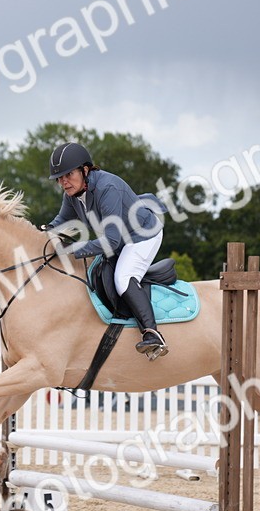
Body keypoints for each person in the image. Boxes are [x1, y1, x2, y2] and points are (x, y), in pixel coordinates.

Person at [41, 142, 168, 359]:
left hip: (143, 235)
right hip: (118, 238)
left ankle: (153, 334)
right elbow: (60, 222)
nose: (64, 182)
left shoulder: (107, 188)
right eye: (59, 178)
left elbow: (110, 241)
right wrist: (41, 234)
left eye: (68, 174)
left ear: (85, 170)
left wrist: (73, 248)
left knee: (123, 277)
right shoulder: (71, 195)